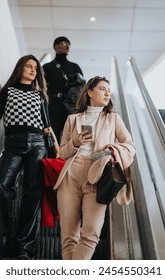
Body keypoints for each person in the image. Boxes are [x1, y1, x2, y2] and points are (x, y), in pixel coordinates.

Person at [0, 54, 59, 260]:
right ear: (20, 68)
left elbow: (47, 126)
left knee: (32, 194)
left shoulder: (40, 95)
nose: (33, 70)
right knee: (0, 186)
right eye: (28, 66)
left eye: (36, 67)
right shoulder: (8, 91)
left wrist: (59, 150)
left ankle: (25, 248)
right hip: (13, 143)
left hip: (38, 145)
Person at [52, 76, 136, 260]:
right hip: (71, 174)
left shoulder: (113, 119)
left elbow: (130, 145)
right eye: (102, 89)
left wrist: (111, 151)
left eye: (108, 90)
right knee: (68, 236)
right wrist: (75, 142)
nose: (107, 93)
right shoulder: (72, 119)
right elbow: (63, 153)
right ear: (89, 92)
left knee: (91, 232)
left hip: (98, 175)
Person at [42, 36, 84, 149]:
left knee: (70, 135)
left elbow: (82, 88)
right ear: (55, 47)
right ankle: (52, 161)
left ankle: (68, 162)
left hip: (70, 105)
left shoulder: (75, 67)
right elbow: (41, 87)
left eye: (66, 43)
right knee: (52, 134)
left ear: (69, 48)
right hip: (52, 104)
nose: (64, 45)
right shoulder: (47, 67)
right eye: (60, 43)